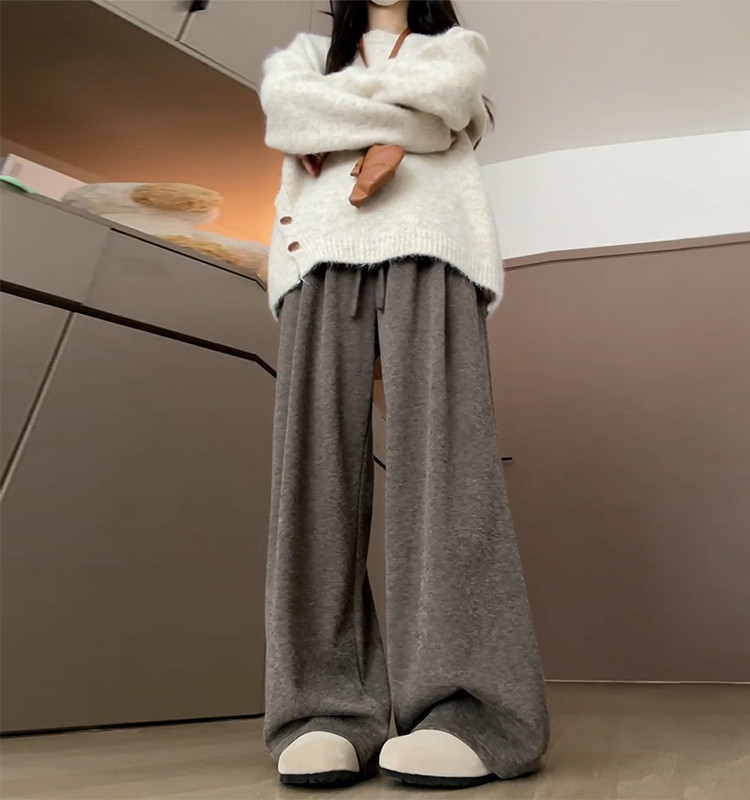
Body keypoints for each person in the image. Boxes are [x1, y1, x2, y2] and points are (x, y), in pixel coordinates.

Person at [258, 0, 550, 789]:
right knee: (312, 486)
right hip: (317, 258)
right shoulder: (304, 56)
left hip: (434, 246)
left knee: (449, 474)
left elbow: (450, 101)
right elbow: (289, 117)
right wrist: (407, 129)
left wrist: (370, 129)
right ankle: (321, 709)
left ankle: (473, 711)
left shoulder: (453, 49)